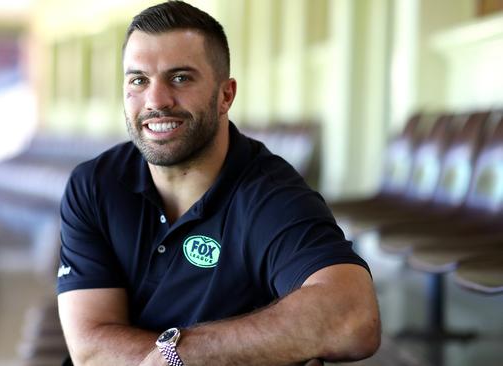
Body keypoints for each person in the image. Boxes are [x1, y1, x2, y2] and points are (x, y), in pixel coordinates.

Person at [56, 1, 381, 365]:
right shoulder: (94, 185)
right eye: (138, 80)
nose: (156, 100)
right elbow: (90, 348)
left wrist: (183, 355)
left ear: (226, 95)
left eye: (180, 78)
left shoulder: (270, 195)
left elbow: (352, 316)